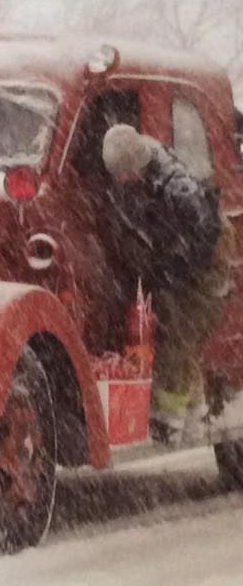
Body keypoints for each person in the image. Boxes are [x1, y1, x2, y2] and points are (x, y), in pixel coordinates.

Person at [100, 124, 231, 444]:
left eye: (124, 173)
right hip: (178, 273)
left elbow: (206, 235)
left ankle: (168, 422)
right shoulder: (142, 172)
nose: (120, 180)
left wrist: (179, 268)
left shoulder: (178, 189)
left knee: (176, 344)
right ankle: (196, 418)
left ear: (136, 166)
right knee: (179, 343)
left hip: (202, 276)